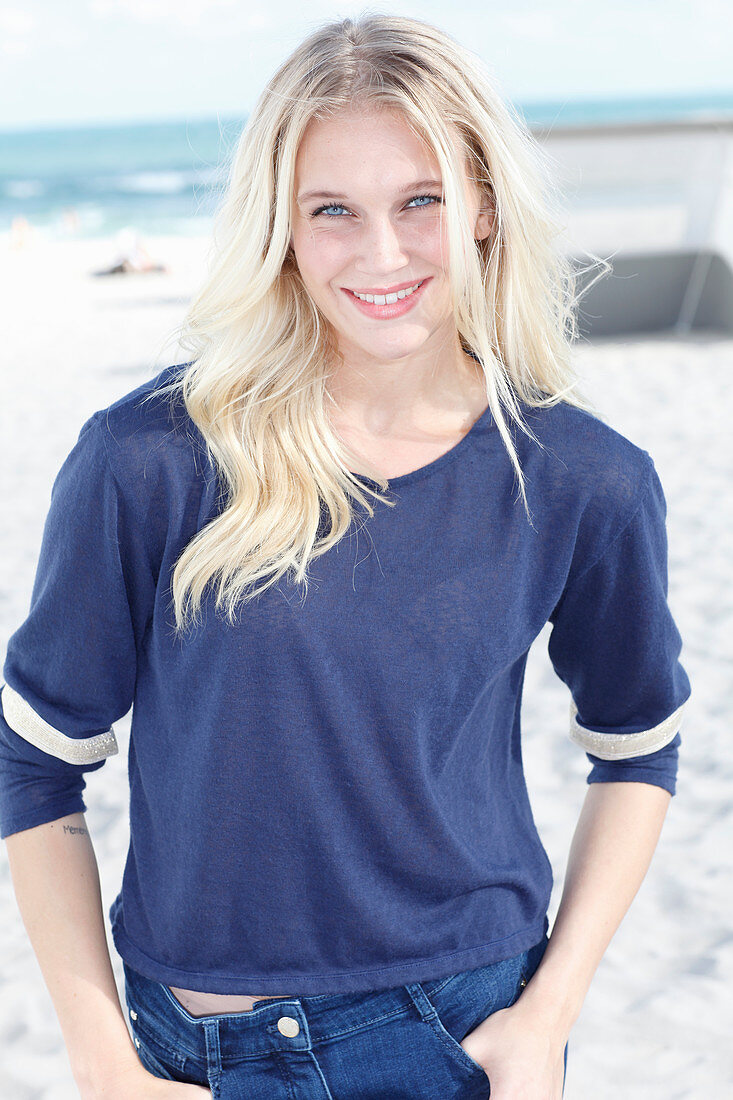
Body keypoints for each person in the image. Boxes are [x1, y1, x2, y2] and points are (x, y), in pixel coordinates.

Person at [0, 14, 690, 1100]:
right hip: (186, 1054)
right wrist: (99, 1061)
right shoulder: (148, 460)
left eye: (421, 200)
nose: (381, 253)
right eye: (333, 210)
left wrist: (545, 1016)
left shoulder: (579, 477)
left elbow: (637, 748)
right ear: (280, 225)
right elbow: (35, 761)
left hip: (456, 1033)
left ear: (485, 206)